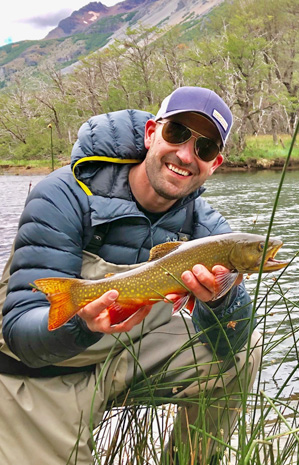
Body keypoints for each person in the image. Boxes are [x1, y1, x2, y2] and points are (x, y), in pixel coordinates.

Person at [0, 86, 262, 463]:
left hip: (122, 361)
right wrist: (83, 325)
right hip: (39, 374)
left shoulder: (208, 228)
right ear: (151, 133)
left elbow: (229, 346)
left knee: (245, 349)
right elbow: (21, 334)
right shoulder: (64, 194)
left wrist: (222, 302)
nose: (186, 155)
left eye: (204, 149)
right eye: (176, 134)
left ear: (214, 164)